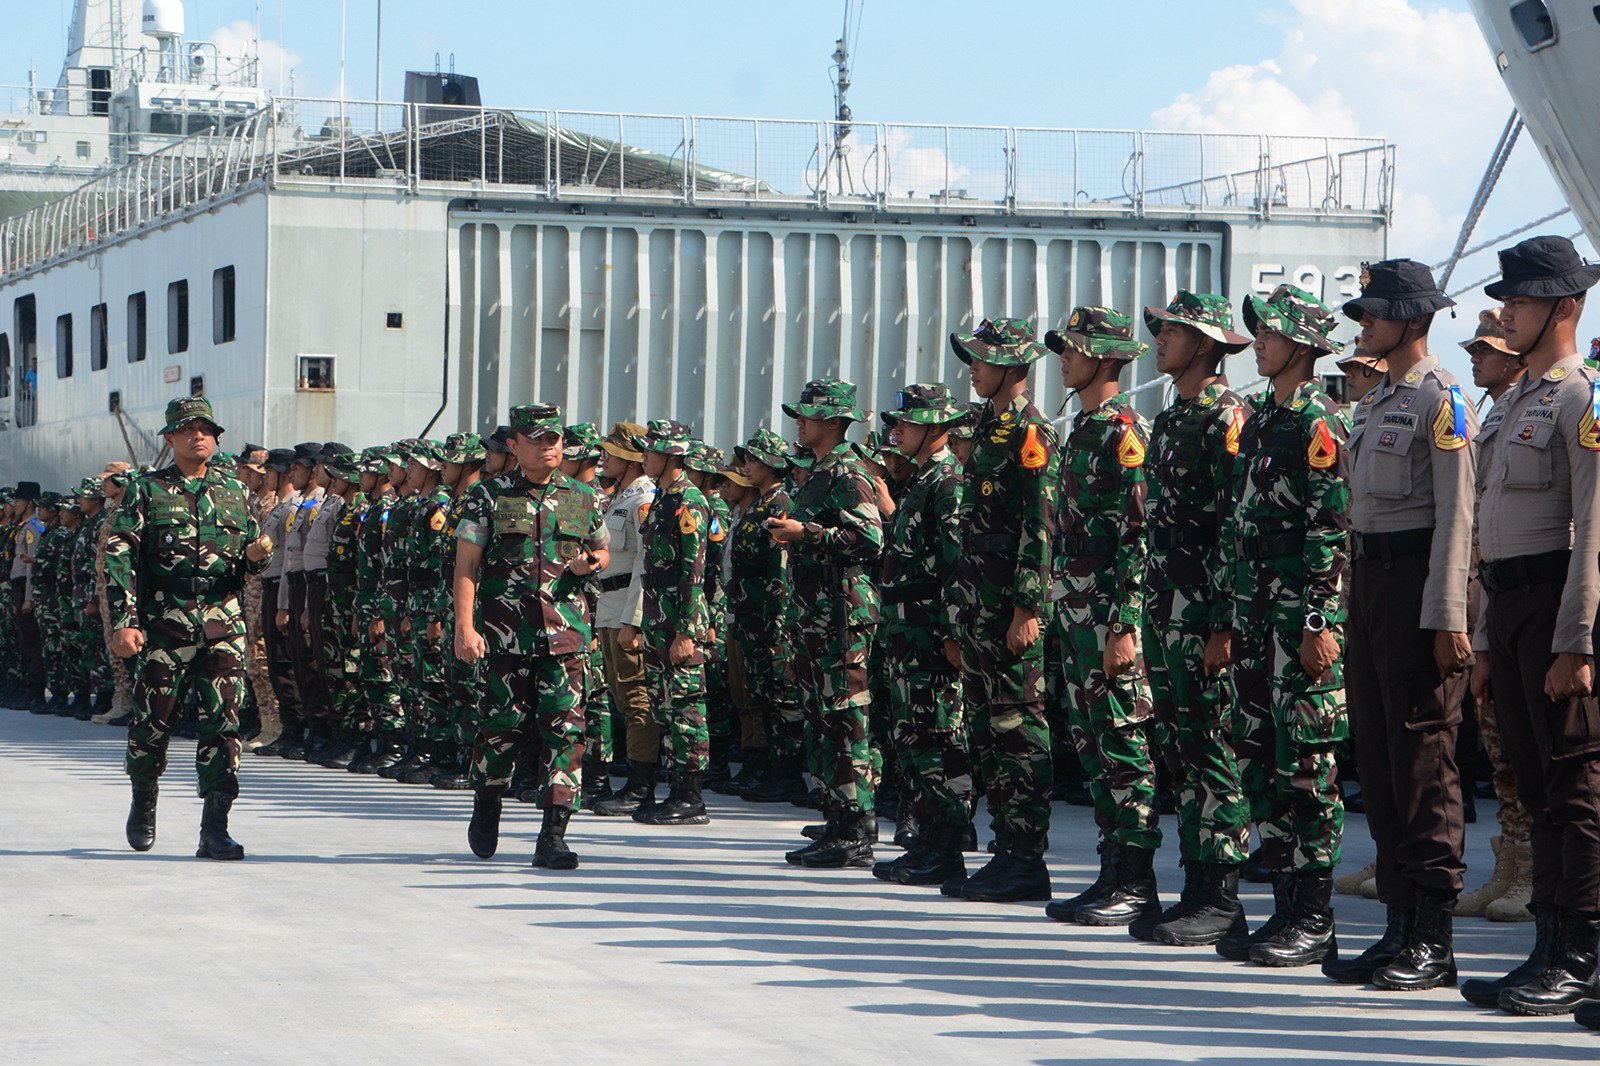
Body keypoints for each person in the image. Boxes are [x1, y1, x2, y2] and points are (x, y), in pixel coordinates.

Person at [1324, 259, 1475, 991]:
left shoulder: (1441, 400)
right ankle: (1397, 923)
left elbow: (1457, 518)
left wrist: (1447, 613)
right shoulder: (1375, 401)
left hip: (1419, 585)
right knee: (1381, 761)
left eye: (1377, 313)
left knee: (1424, 761)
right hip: (1372, 585)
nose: (1366, 324)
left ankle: (1433, 937)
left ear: (1414, 320)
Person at [1459, 236, 1600, 1017]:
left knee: (1574, 787)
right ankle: (1546, 946)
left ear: (1565, 307)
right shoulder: (1514, 399)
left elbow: (1594, 528)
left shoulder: (1583, 397)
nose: (1506, 310)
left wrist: (1577, 640)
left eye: (1519, 298)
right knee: (1537, 791)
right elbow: (1490, 534)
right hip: (1509, 610)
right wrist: (1482, 639)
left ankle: (1576, 949)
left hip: (1555, 606)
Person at [1214, 285, 1351, 967]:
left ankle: (1314, 916)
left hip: (1299, 617)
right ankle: (1284, 910)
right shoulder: (1264, 417)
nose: (1258, 342)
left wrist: (1320, 619)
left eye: (1268, 332)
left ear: (1301, 343)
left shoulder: (1319, 421)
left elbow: (1331, 525)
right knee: (1260, 757)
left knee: (1306, 765)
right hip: (1256, 612)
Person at [1126, 291, 1254, 946]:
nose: (1159, 341)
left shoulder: (1225, 416)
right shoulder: (1176, 415)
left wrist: (1224, 625)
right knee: (1182, 748)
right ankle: (1196, 887)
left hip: (1204, 612)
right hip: (1168, 608)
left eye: (1171, 332)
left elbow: (1235, 526)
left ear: (1203, 343)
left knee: (1214, 748)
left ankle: (1222, 895)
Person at [104, 396, 273, 860]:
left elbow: (248, 558)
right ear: (170, 439)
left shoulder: (235, 492)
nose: (198, 436)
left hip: (223, 619)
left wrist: (259, 558)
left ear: (216, 438)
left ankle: (214, 826)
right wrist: (124, 621)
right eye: (187, 429)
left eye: (205, 429)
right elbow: (120, 558)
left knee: (225, 721)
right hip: (165, 619)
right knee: (152, 720)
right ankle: (144, 800)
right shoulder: (146, 489)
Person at [1041, 308, 1163, 928]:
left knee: (1122, 744)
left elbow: (1137, 538)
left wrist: (1124, 625)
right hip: (1076, 613)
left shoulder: (1123, 432)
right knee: (1092, 746)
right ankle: (1110, 869)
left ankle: (1136, 880)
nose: (1065, 356)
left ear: (1107, 359)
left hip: (1107, 617)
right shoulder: (1081, 429)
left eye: (1076, 348)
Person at [455, 403, 609, 869]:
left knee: (566, 732)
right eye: (539, 439)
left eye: (555, 439)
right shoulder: (488, 496)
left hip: (566, 636)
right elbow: (466, 567)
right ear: (515, 445)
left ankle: (554, 834)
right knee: (501, 728)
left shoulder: (582, 496)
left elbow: (604, 551)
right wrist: (466, 627)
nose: (550, 447)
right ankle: (487, 802)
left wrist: (593, 564)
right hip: (508, 637)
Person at [945, 319, 1058, 903]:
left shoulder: (1029, 430)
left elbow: (1039, 525)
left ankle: (1026, 858)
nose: (973, 366)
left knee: (1019, 730)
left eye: (983, 359)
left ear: (1014, 368)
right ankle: (1005, 848)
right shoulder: (988, 426)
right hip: (979, 605)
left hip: (1008, 608)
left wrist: (1026, 608)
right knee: (990, 732)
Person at [768, 379, 885, 868]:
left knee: (846, 722)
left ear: (834, 422)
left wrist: (806, 532)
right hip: (814, 618)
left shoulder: (849, 471)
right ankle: (838, 819)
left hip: (843, 619)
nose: (800, 421)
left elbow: (869, 537)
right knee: (823, 722)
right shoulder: (817, 473)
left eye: (809, 415)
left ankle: (856, 830)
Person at [870, 384, 971, 888]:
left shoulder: (948, 483)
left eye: (907, 425)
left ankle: (945, 848)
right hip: (907, 633)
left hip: (931, 636)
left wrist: (954, 634)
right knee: (914, 739)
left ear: (934, 429)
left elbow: (957, 568)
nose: (897, 432)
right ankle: (928, 842)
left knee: (938, 739)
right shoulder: (922, 482)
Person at [1456, 309, 1536, 922]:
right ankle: (1511, 863)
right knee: (1499, 747)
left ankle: (1532, 871)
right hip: (1488, 594)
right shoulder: (1502, 416)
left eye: (1486, 350)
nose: (1478, 358)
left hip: (1521, 594)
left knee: (1528, 747)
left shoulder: (1549, 406)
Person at [617, 421, 716, 826]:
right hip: (661, 619)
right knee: (666, 707)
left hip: (679, 621)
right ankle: (675, 787)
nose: (645, 457)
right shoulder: (662, 498)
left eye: (652, 451)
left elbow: (694, 573)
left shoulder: (688, 501)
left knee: (687, 709)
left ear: (672, 456)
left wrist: (685, 632)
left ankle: (690, 796)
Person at [727, 429, 804, 803]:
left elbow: (781, 567)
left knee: (782, 696)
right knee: (762, 693)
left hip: (768, 615)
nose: (747, 466)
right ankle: (771, 767)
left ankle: (788, 773)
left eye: (754, 460)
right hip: (749, 614)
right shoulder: (758, 504)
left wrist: (778, 623)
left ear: (772, 465)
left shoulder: (779, 504)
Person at [590, 422, 660, 816]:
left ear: (631, 458)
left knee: (636, 698)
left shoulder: (642, 500)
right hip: (609, 605)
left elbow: (644, 566)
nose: (604, 458)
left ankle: (641, 784)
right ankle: (633, 779)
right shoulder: (620, 498)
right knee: (620, 695)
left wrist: (634, 621)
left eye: (611, 452)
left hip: (626, 609)